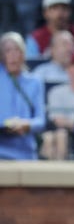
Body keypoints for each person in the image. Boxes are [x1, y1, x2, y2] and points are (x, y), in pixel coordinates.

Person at [41, 46, 74, 160]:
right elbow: (57, 120)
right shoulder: (57, 92)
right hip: (67, 138)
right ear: (69, 69)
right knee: (57, 136)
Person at [0, 31, 46, 160]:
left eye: (17, 50)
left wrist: (26, 124)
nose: (13, 55)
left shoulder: (35, 82)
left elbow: (41, 121)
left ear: (23, 54)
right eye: (7, 51)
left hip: (25, 152)